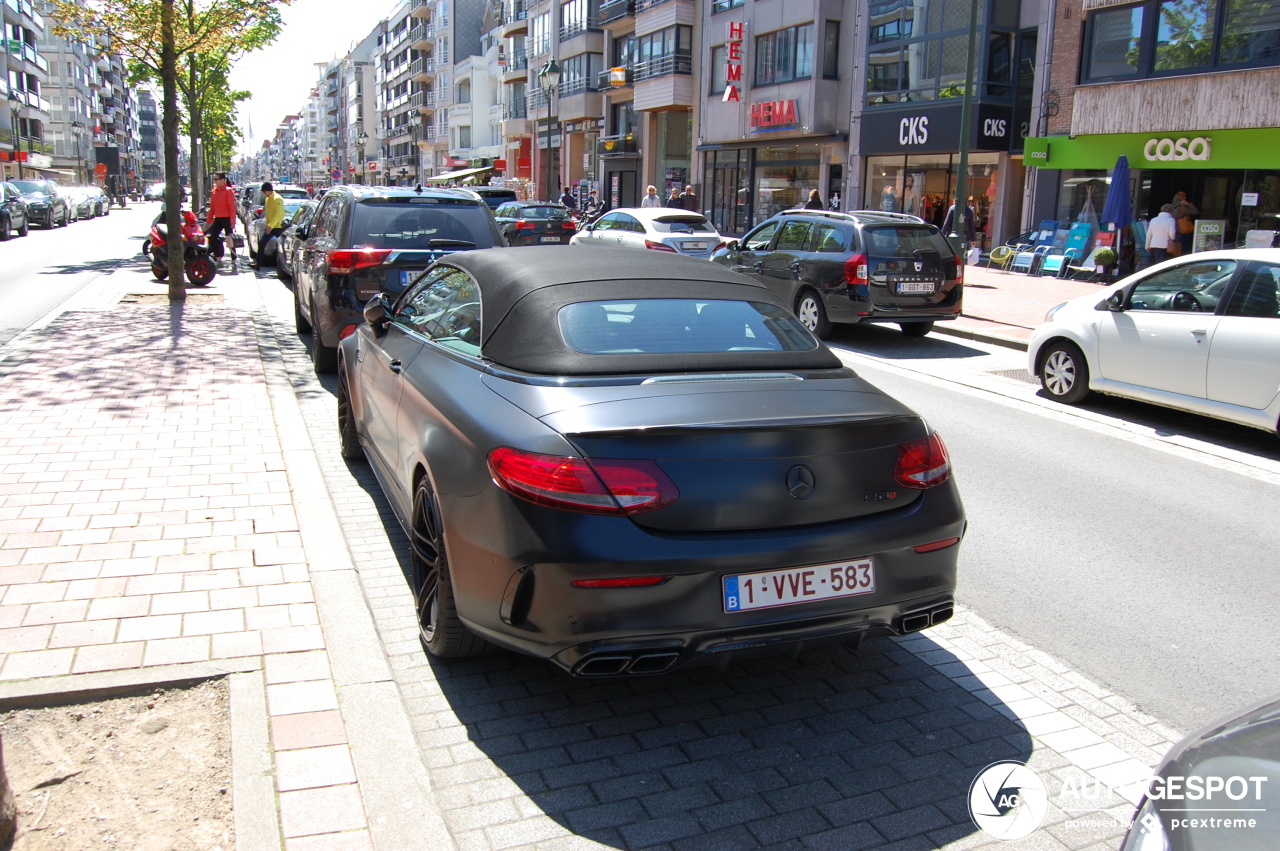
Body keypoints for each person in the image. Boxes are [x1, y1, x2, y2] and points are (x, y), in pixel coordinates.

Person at [205, 172, 238, 268]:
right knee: (213, 237)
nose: (215, 181)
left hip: (227, 219)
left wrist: (232, 222)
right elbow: (212, 208)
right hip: (218, 218)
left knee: (230, 240)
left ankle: (234, 259)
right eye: (214, 179)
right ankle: (218, 258)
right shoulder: (214, 192)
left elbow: (232, 207)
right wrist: (208, 221)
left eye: (216, 179)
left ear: (223, 180)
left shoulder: (228, 191)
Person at [253, 182, 285, 270]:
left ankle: (283, 264)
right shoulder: (268, 199)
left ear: (267, 191)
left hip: (277, 227)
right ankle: (258, 264)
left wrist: (270, 226)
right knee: (262, 243)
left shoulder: (277, 199)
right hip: (270, 226)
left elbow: (279, 214)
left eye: (264, 192)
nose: (264, 194)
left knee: (282, 245)